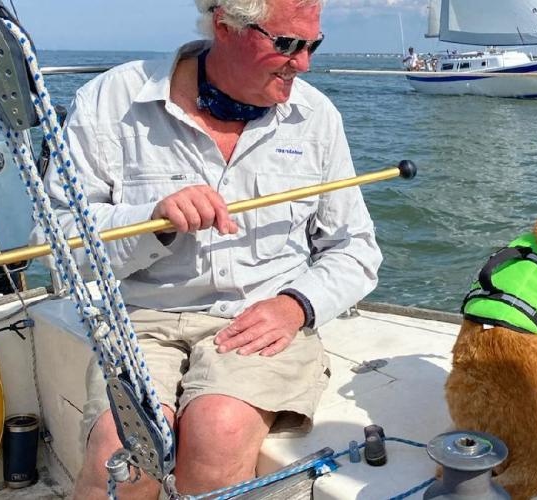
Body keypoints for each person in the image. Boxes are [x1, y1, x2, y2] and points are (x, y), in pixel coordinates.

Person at [41, 0, 382, 497]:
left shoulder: (316, 117)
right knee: (122, 455)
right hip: (143, 318)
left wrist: (295, 306)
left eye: (313, 44)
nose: (304, 63)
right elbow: (55, 243)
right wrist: (151, 222)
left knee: (218, 431)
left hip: (258, 320)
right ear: (225, 26)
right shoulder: (111, 100)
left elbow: (355, 249)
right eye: (287, 44)